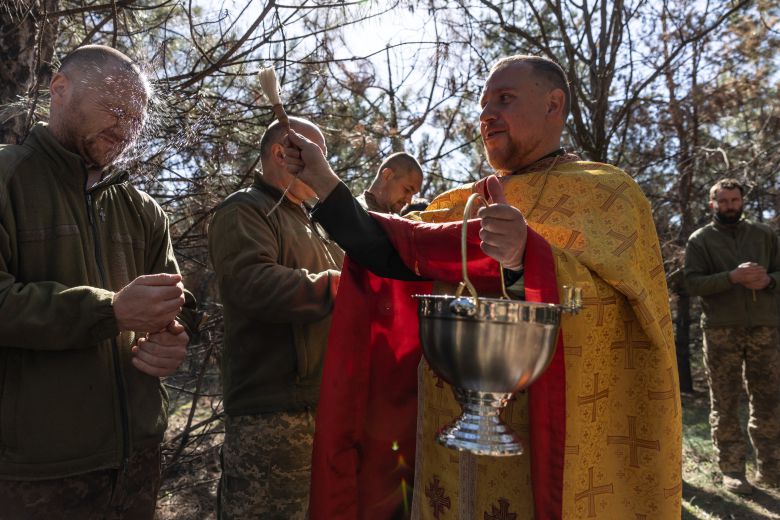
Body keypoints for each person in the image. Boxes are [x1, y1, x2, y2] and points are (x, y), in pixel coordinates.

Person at [284, 54, 682, 519]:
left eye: (505, 99)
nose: (487, 113)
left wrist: (527, 258)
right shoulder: (465, 201)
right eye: (483, 102)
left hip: (547, 452)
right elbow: (394, 251)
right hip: (449, 450)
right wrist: (323, 182)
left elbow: (628, 323)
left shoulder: (609, 194)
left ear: (554, 104)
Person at [0, 45, 198, 518]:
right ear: (60, 91)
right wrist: (108, 311)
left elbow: (179, 301)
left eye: (136, 116)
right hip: (32, 472)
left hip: (138, 463)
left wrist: (175, 337)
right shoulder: (5, 178)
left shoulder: (143, 209)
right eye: (113, 107)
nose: (125, 126)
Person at [208, 116, 344, 519]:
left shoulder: (309, 222)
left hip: (317, 407)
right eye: (312, 155)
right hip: (270, 414)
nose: (321, 166)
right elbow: (251, 284)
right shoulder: (245, 210)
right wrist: (337, 286)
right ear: (280, 153)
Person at [684, 178, 780, 494]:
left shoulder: (764, 235)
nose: (729, 207)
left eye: (734, 200)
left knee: (768, 398)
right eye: (723, 201)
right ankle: (733, 471)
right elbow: (693, 283)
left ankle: (771, 468)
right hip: (720, 329)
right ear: (712, 204)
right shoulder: (700, 240)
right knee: (724, 401)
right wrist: (732, 277)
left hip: (764, 327)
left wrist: (768, 280)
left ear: (742, 201)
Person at [356, 151, 423, 213]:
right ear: (387, 175)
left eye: (413, 194)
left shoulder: (398, 223)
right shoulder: (353, 210)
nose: (409, 201)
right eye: (407, 190)